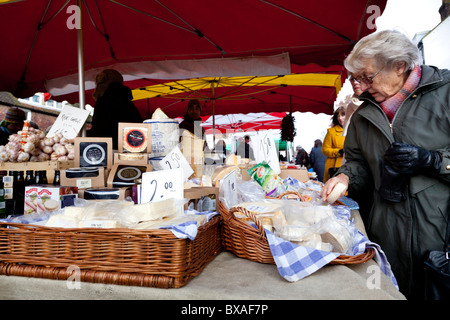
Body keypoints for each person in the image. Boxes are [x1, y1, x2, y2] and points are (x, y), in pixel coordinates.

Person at [320, 30, 450, 299]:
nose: (363, 86)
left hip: (441, 235)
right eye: (358, 79)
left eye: (368, 77)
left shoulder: (446, 94)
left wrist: (434, 160)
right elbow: (356, 163)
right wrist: (345, 177)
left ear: (399, 65)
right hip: (386, 234)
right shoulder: (362, 114)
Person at [87, 69, 143, 149]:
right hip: (131, 150)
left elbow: (99, 132)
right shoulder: (129, 104)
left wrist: (84, 134)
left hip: (111, 151)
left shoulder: (104, 102)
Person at [322, 106, 345, 182]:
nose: (340, 118)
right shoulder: (331, 132)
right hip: (335, 166)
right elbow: (325, 150)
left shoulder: (354, 131)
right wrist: (339, 152)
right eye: (338, 116)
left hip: (349, 167)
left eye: (343, 115)